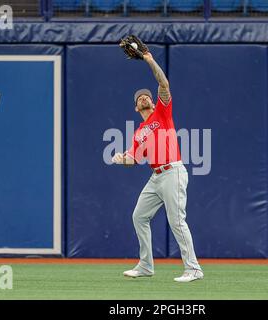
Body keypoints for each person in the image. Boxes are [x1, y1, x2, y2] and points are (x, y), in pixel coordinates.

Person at [111, 50, 203, 283]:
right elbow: (133, 160)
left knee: (176, 221)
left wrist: (149, 60)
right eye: (139, 98)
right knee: (139, 216)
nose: (143, 98)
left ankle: (193, 269)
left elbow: (163, 83)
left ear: (153, 101)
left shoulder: (162, 112)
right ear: (135, 108)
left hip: (172, 171)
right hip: (156, 177)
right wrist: (121, 159)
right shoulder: (139, 133)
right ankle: (146, 265)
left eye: (146, 96)